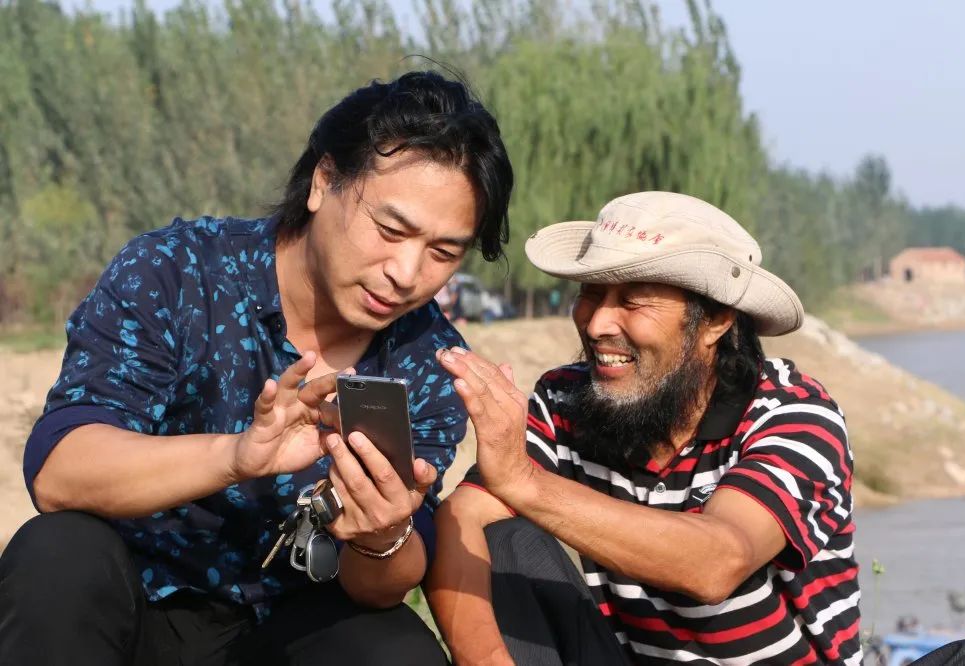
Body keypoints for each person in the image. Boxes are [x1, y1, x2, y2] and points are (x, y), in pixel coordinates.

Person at [0, 70, 513, 666]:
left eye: (443, 253)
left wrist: (381, 535)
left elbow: (382, 587)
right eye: (390, 229)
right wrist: (236, 457)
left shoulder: (432, 359)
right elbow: (60, 471)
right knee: (57, 554)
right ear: (324, 181)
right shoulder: (176, 272)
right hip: (133, 603)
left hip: (292, 623)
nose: (406, 273)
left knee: (395, 651)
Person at [429, 191, 862, 665]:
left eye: (633, 302)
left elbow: (718, 563)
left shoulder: (794, 415)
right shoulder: (565, 399)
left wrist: (523, 482)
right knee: (507, 540)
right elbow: (461, 517)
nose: (597, 324)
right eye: (591, 293)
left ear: (716, 320)